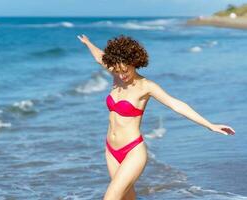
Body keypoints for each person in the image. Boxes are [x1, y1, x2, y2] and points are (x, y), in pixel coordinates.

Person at [77, 34, 235, 200]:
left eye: (125, 70)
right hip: (110, 149)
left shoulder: (146, 86)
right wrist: (88, 42)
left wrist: (209, 125)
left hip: (133, 151)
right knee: (126, 198)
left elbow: (176, 104)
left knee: (111, 197)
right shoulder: (116, 74)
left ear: (134, 63)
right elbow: (99, 57)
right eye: (117, 70)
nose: (121, 75)